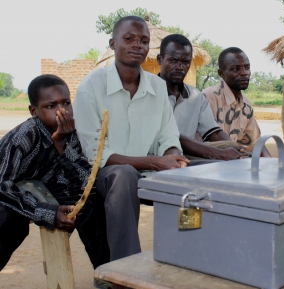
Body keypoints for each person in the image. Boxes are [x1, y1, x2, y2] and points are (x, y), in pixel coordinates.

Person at [73, 16, 189, 263]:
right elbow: (97, 155)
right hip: (104, 178)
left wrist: (170, 157)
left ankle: (186, 259)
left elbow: (169, 136)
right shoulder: (91, 87)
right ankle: (126, 270)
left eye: (144, 41)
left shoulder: (158, 87)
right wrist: (155, 162)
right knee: (123, 175)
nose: (138, 45)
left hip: (150, 175)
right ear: (113, 43)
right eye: (129, 39)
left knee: (203, 173)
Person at [0, 75, 110, 273]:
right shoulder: (23, 137)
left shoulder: (70, 131)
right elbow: (2, 187)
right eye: (51, 106)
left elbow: (85, 178)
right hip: (11, 192)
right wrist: (46, 212)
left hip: (46, 187)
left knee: (92, 203)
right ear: (34, 111)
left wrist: (60, 144)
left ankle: (106, 273)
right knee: (10, 220)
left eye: (66, 103)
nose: (62, 111)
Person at [157, 34, 249, 160]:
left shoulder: (196, 96)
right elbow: (172, 137)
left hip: (188, 152)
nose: (180, 67)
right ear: (159, 59)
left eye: (185, 62)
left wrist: (231, 149)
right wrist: (220, 154)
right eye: (173, 60)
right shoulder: (150, 92)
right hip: (159, 153)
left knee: (236, 150)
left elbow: (214, 133)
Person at [203, 47, 271, 157]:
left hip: (234, 162)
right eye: (235, 69)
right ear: (221, 73)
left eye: (247, 67)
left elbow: (256, 142)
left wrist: (271, 164)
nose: (244, 73)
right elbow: (211, 136)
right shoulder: (209, 97)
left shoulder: (246, 103)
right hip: (210, 163)